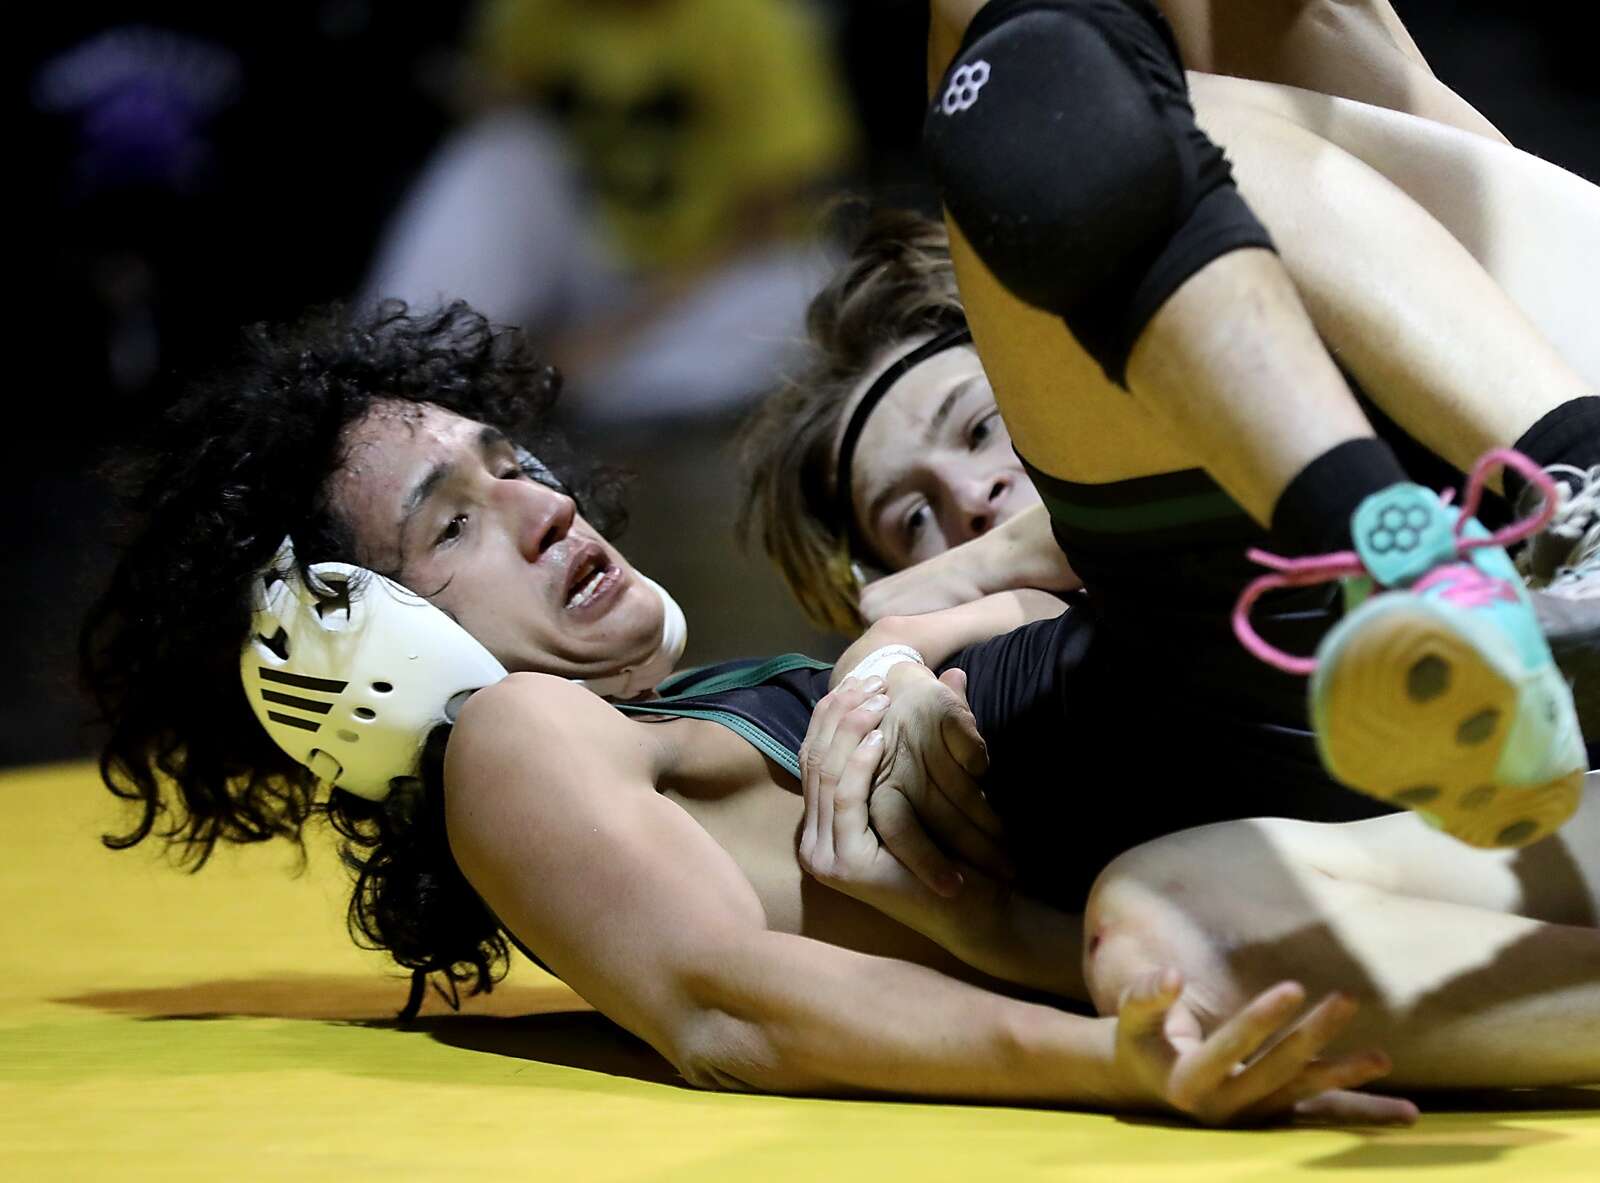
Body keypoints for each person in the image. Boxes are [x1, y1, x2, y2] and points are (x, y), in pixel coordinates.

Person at [82, 300, 1600, 1126]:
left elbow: (1017, 614)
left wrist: (908, 633)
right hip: (1393, 787)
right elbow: (728, 1007)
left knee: (1160, 905)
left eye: (512, 462)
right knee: (1162, 917)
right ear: (366, 654)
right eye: (452, 522)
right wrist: (1112, 1060)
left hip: (1350, 751)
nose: (540, 502)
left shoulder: (718, 704)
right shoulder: (510, 740)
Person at [740, 4, 1600, 847]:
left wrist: (980, 563)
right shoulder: (1002, 677)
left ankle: (1532, 506)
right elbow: (889, 657)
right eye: (913, 517)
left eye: (977, 427)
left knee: (1124, 87)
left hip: (1524, 362)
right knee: (1064, 82)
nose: (970, 493)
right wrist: (887, 661)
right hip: (1311, 664)